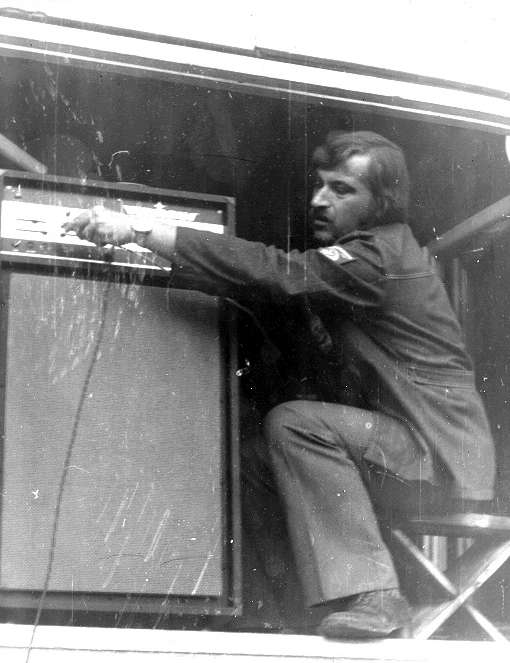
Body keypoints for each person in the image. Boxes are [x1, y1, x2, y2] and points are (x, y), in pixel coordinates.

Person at [64, 131, 495, 639]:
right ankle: (280, 611)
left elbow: (275, 271)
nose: (320, 200)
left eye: (342, 189)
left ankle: (377, 597)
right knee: (251, 457)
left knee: (295, 423)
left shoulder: (379, 256)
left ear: (382, 202)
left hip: (438, 460)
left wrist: (142, 231)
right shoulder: (363, 256)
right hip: (404, 453)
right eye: (320, 185)